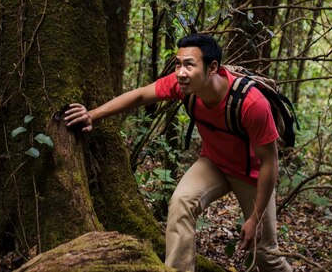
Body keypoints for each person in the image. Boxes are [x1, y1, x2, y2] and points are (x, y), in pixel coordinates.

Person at [64, 34, 292, 272]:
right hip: (214, 163)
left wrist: (255, 218)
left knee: (266, 254)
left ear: (212, 68)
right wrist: (92, 115)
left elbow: (270, 163)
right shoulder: (185, 86)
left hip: (252, 175)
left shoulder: (251, 103)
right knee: (181, 203)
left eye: (189, 64)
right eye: (178, 63)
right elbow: (141, 95)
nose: (181, 72)